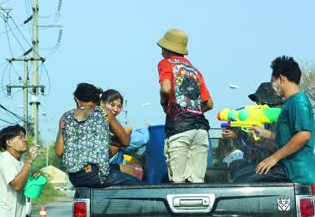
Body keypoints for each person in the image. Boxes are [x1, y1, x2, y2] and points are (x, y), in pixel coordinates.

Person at [55, 83, 144, 188]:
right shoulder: (104, 113)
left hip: (75, 177)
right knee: (141, 187)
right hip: (97, 175)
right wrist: (108, 140)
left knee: (128, 169)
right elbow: (125, 142)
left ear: (76, 99)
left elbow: (59, 151)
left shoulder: (65, 117)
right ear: (97, 100)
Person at [157, 28, 214, 183]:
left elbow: (166, 88)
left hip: (179, 128)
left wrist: (164, 103)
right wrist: (193, 112)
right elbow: (209, 103)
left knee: (178, 183)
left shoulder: (165, 63)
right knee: (197, 183)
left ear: (168, 48)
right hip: (200, 129)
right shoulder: (195, 70)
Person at [252, 56, 315, 183]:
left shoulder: (298, 102)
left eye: (272, 81)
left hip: (297, 172)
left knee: (250, 181)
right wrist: (263, 133)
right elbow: (288, 137)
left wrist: (273, 158)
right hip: (290, 169)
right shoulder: (290, 102)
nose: (272, 86)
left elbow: (303, 135)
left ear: (281, 78)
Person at [221, 82, 284, 182]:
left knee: (240, 179)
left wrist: (240, 135)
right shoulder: (269, 118)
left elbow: (274, 146)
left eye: (260, 101)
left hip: (278, 167)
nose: (258, 105)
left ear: (270, 101)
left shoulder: (278, 117)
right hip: (269, 165)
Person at [100, 89, 149, 179]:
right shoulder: (99, 123)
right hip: (109, 167)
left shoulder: (115, 122)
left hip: (116, 162)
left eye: (119, 107)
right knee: (145, 136)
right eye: (112, 105)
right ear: (102, 104)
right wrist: (125, 132)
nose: (115, 110)